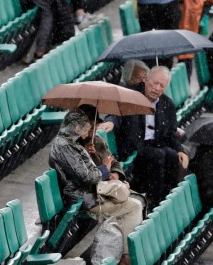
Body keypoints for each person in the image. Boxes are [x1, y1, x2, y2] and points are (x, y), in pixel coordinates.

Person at [49, 110, 143, 264]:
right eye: (87, 129)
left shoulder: (70, 144)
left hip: (87, 192)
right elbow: (87, 177)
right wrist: (105, 168)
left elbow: (89, 171)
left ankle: (124, 255)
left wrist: (95, 157)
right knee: (134, 206)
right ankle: (126, 258)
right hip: (83, 197)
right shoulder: (65, 147)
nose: (87, 134)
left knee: (136, 201)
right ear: (77, 128)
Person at [103, 66, 189, 206]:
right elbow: (115, 114)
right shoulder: (130, 95)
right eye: (155, 83)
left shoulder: (167, 104)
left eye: (162, 85)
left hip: (154, 144)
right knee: (159, 154)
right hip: (133, 146)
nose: (157, 88)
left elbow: (170, 134)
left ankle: (168, 199)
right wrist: (111, 122)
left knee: (173, 156)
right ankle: (156, 201)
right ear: (146, 79)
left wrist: (180, 150)